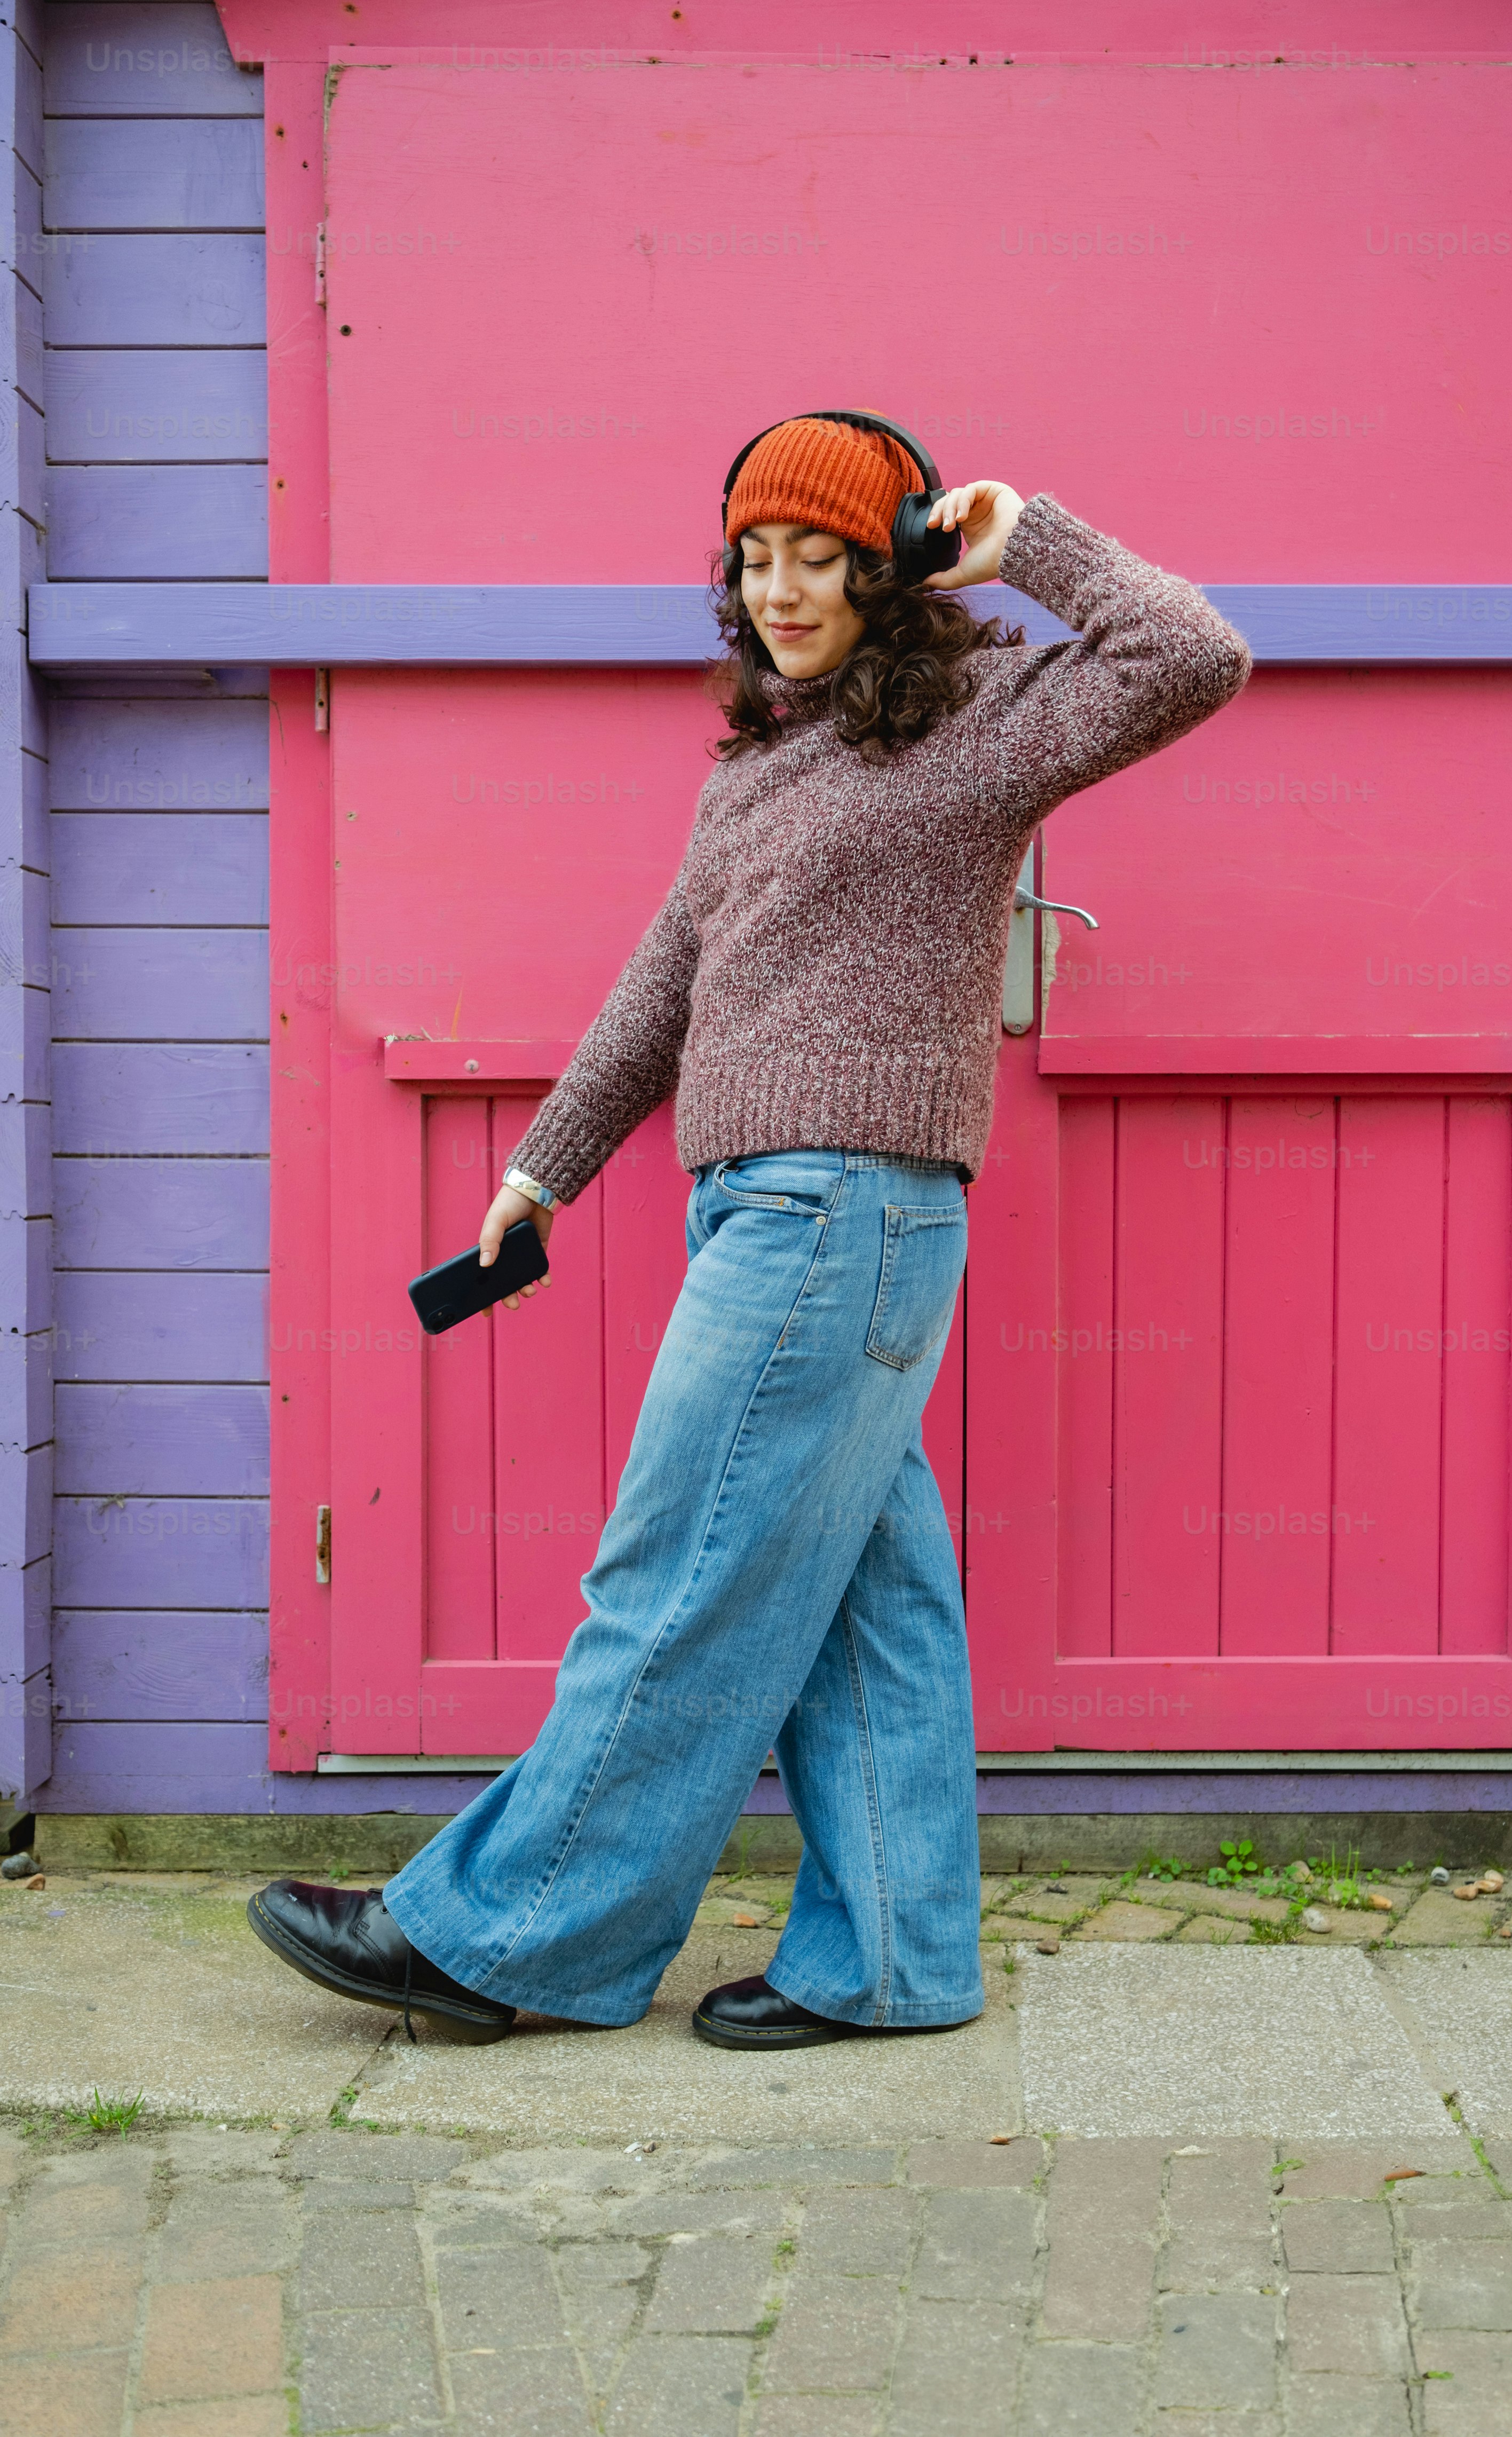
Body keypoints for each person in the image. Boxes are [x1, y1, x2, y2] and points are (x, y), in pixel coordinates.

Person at [248, 415, 1250, 2050]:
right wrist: (545, 1170)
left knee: (676, 1573)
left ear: (892, 566)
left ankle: (510, 1938)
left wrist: (1026, 538)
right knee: (869, 1613)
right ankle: (891, 1965)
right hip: (775, 1213)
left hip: (838, 1210)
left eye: (821, 556)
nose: (781, 589)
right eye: (757, 557)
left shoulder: (982, 725)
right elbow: (666, 978)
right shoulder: (756, 765)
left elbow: (1192, 655)